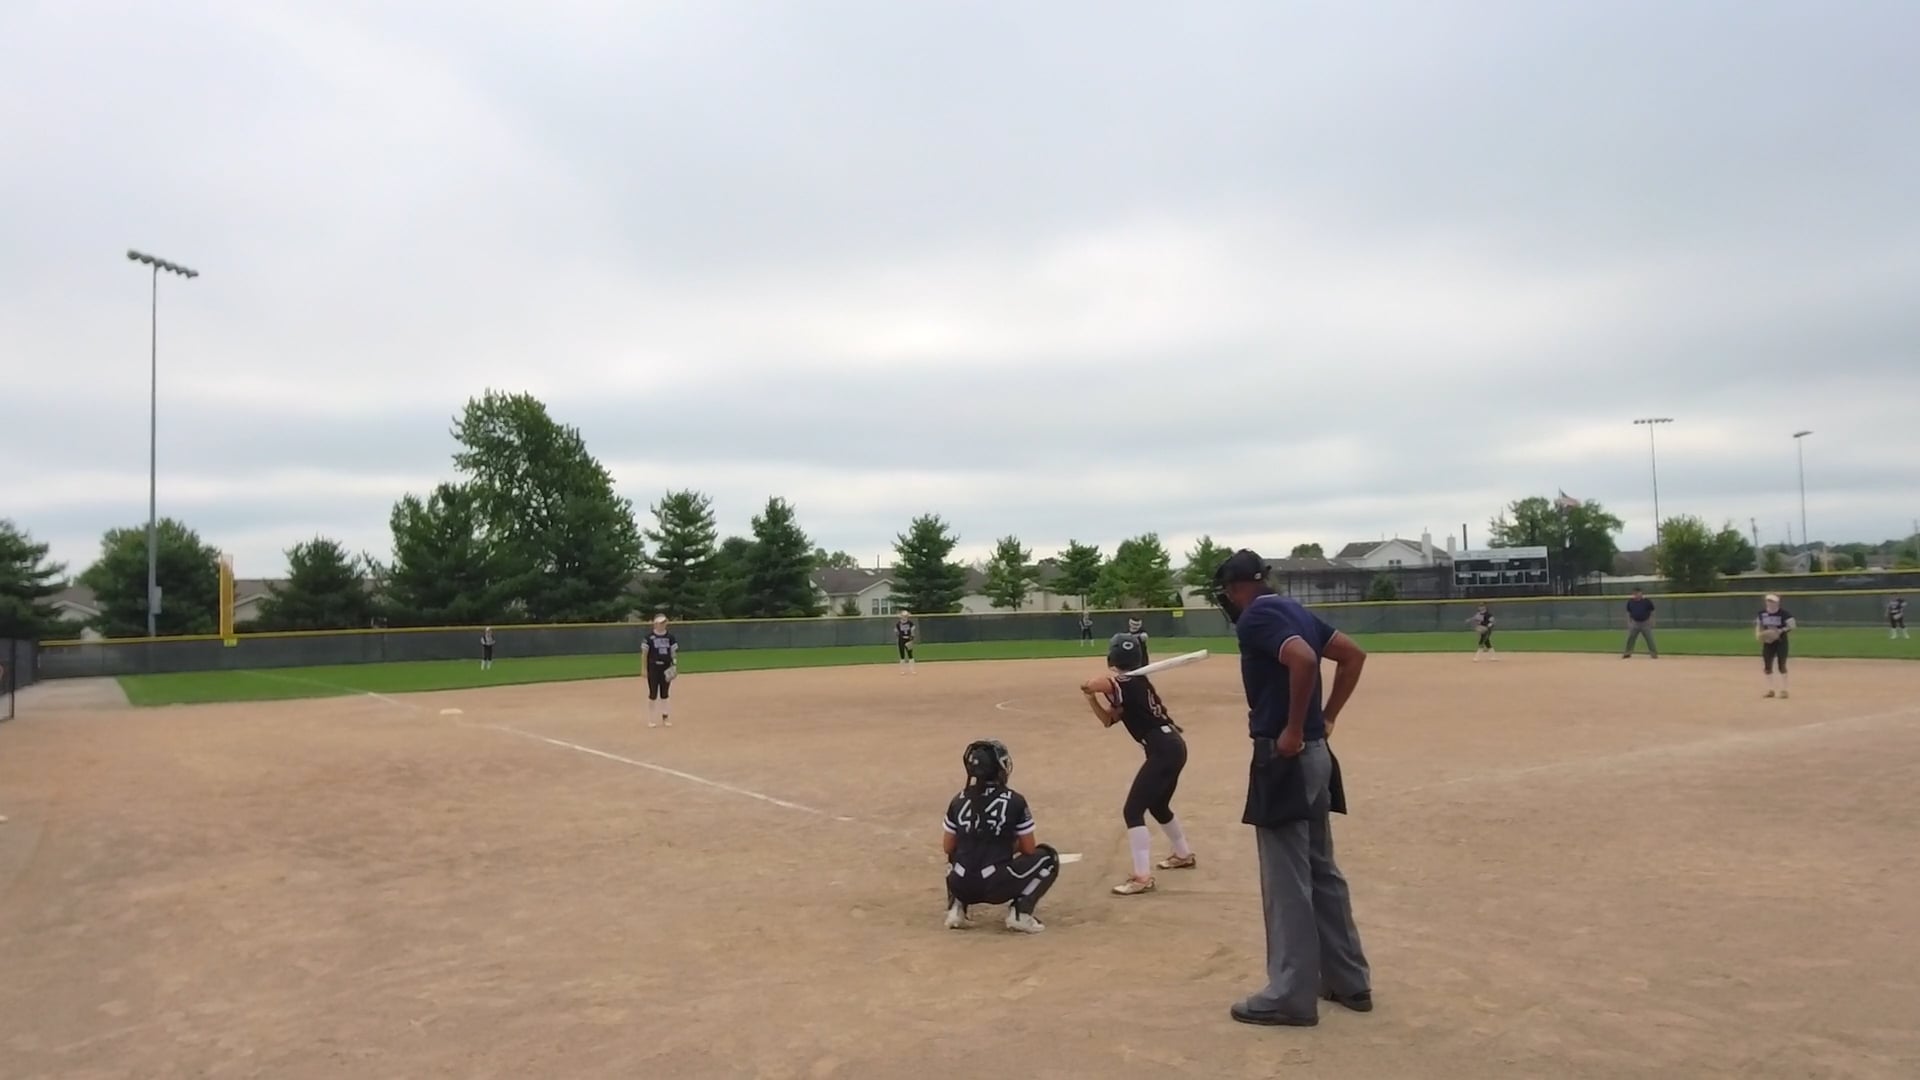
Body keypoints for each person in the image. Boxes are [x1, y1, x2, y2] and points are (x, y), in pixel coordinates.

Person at [1211, 549, 1372, 1027]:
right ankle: (1349, 980)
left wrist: (1295, 728)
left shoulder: (1255, 617)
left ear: (1235, 588)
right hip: (1318, 757)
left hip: (1286, 760)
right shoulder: (1293, 609)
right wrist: (1327, 717)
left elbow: (1301, 660)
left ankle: (1290, 995)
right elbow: (1352, 655)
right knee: (1322, 870)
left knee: (1287, 881)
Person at [1080, 633, 1196, 896]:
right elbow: (1108, 720)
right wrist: (1091, 699)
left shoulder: (1125, 682)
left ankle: (1142, 877)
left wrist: (1089, 686)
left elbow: (1098, 683)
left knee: (1132, 811)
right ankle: (1183, 854)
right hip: (1172, 747)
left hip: (1163, 750)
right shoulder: (1135, 684)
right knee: (1158, 805)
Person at [942, 739, 1061, 934]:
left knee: (960, 848)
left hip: (960, 885)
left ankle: (956, 908)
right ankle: (1021, 913)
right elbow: (1029, 848)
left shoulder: (958, 800)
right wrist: (1004, 843)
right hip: (995, 886)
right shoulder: (1015, 800)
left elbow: (947, 846)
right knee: (1048, 857)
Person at [1756, 594, 1797, 699]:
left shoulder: (1784, 613)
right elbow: (1759, 625)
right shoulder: (1762, 613)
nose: (1770, 603)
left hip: (1781, 641)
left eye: (1772, 601)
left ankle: (1784, 690)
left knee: (1781, 665)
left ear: (1777, 603)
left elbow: (1792, 625)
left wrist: (1780, 631)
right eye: (1768, 601)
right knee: (1767, 666)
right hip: (1768, 642)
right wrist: (1758, 635)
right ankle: (1770, 690)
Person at [642, 614, 679, 727]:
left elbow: (673, 653)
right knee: (653, 693)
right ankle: (651, 718)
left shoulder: (670, 637)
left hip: (666, 667)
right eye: (660, 623)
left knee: (665, 693)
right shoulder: (649, 638)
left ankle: (665, 717)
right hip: (653, 667)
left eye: (664, 623)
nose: (662, 625)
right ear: (655, 624)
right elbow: (644, 654)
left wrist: (674, 666)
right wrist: (644, 669)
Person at [1622, 589, 1658, 659]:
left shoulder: (1646, 601)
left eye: (1638, 593)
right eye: (1635, 594)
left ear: (1641, 594)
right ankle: (1627, 653)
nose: (1636, 595)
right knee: (1631, 638)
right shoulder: (1630, 602)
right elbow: (1628, 612)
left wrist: (1652, 620)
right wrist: (1629, 622)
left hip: (1645, 623)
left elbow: (1652, 611)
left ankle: (1653, 654)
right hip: (1635, 623)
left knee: (1649, 639)